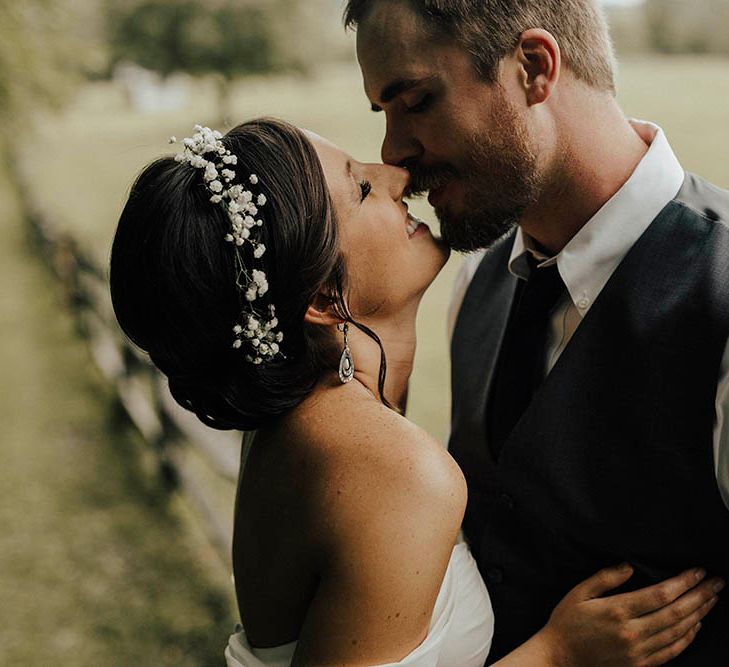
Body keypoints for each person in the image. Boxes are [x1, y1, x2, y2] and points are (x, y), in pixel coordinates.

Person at [109, 119, 720, 666]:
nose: (396, 173)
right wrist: (559, 654)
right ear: (324, 300)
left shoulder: (296, 430)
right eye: (361, 188)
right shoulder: (389, 470)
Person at [342, 0, 729, 663]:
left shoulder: (720, 296)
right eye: (384, 113)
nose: (392, 152)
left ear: (533, 67)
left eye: (416, 101)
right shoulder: (474, 282)